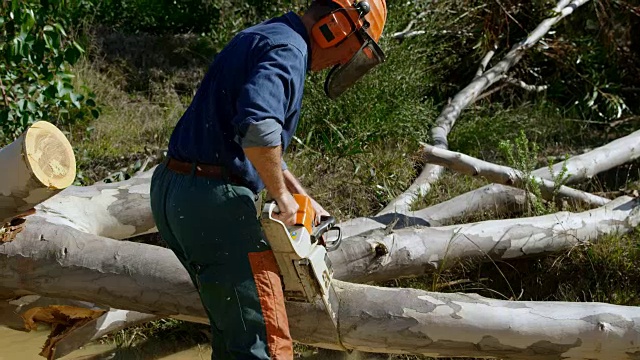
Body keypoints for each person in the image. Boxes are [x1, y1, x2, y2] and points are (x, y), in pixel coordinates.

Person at [149, 1, 387, 358]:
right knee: (265, 341)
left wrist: (297, 193)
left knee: (233, 330)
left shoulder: (265, 34)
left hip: (172, 189)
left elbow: (241, 131)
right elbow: (259, 130)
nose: (341, 62)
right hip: (213, 203)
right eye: (348, 52)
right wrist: (284, 201)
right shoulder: (289, 50)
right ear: (334, 27)